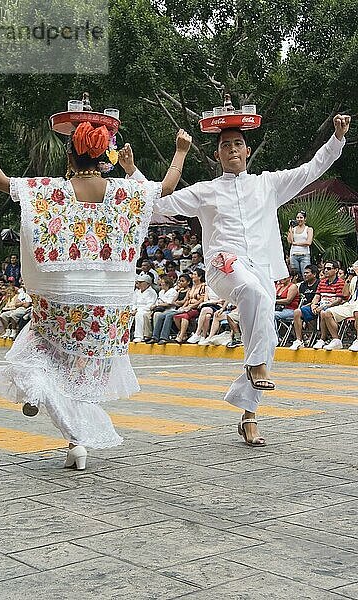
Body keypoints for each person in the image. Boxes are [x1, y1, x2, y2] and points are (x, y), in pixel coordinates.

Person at [0, 115, 191, 470]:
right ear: (104, 157)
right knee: (78, 377)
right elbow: (166, 186)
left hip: (60, 298)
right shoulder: (125, 191)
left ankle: (36, 391)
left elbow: (1, 182)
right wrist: (180, 151)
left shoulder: (51, 189)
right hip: (106, 308)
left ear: (70, 158)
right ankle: (75, 441)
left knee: (37, 346)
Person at [121, 113, 351, 446]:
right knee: (251, 293)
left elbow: (311, 169)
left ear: (247, 150)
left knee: (268, 336)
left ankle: (249, 417)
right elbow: (158, 206)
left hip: (260, 268)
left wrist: (337, 138)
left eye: (238, 144)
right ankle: (254, 364)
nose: (232, 149)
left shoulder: (268, 184)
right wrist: (132, 171)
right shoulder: (205, 191)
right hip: (223, 265)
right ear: (217, 155)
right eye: (225, 145)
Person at [291, 260, 346, 350]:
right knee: (297, 312)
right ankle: (299, 341)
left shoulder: (340, 282)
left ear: (336, 270)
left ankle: (322, 339)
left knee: (324, 312)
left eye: (329, 268)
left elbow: (338, 300)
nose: (326, 271)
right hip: (319, 305)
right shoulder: (322, 282)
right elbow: (317, 296)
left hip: (331, 307)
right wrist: (313, 305)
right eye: (325, 269)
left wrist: (323, 307)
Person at [321, 260, 358, 350]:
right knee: (327, 313)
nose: (354, 269)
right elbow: (345, 295)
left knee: (357, 312)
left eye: (355, 267)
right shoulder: (354, 279)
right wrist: (348, 279)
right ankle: (336, 340)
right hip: (351, 304)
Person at [147, 272, 191, 344]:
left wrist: (177, 303)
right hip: (177, 308)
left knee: (168, 315)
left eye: (183, 281)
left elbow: (184, 301)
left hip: (182, 308)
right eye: (180, 281)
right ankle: (155, 337)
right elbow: (173, 301)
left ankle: (164, 337)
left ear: (188, 282)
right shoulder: (179, 290)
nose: (180, 282)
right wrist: (176, 303)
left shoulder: (189, 290)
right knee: (161, 315)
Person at [173, 268, 206, 343]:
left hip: (196, 308)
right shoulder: (192, 287)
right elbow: (187, 300)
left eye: (194, 274)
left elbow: (202, 299)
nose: (192, 276)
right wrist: (184, 307)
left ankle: (181, 336)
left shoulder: (203, 286)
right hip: (189, 307)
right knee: (176, 317)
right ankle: (184, 334)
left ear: (200, 277)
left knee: (184, 317)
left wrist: (191, 306)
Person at [132, 273, 158, 342]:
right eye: (138, 282)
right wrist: (134, 309)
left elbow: (150, 305)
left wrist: (137, 310)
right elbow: (134, 302)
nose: (139, 284)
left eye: (141, 282)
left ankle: (139, 336)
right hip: (137, 309)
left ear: (147, 283)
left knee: (139, 314)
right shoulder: (137, 291)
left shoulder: (152, 292)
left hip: (146, 310)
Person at [273, 272, 300, 339]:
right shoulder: (278, 286)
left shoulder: (293, 286)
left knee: (272, 315)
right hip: (278, 309)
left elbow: (288, 300)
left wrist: (274, 301)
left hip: (290, 310)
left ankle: (276, 338)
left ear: (290, 277)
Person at [287, 211, 314, 276]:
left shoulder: (309, 229)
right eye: (297, 217)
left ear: (305, 219)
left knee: (305, 275)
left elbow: (308, 242)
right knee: (295, 275)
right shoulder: (293, 229)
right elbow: (290, 241)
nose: (299, 219)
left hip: (304, 255)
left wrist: (296, 243)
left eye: (301, 217)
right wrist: (290, 229)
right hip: (294, 255)